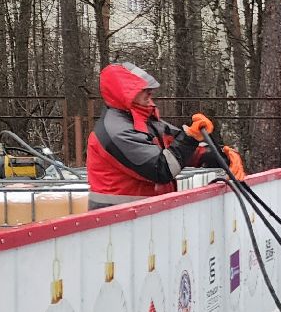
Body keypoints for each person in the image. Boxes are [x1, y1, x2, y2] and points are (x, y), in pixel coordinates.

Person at [86, 63, 233, 207]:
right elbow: (161, 169)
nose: (150, 92)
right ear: (123, 92)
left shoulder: (143, 120)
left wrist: (221, 156)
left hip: (142, 217)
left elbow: (177, 146)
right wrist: (189, 138)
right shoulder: (117, 130)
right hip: (115, 223)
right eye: (142, 88)